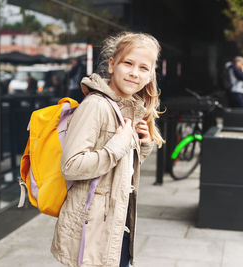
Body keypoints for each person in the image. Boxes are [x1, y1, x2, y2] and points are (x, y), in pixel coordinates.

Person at [51, 32, 164, 267]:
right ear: (112, 65)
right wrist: (118, 146)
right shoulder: (96, 106)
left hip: (114, 226)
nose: (135, 73)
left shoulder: (126, 108)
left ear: (151, 74)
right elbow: (71, 166)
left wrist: (142, 145)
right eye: (128, 63)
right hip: (92, 231)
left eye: (144, 68)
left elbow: (116, 173)